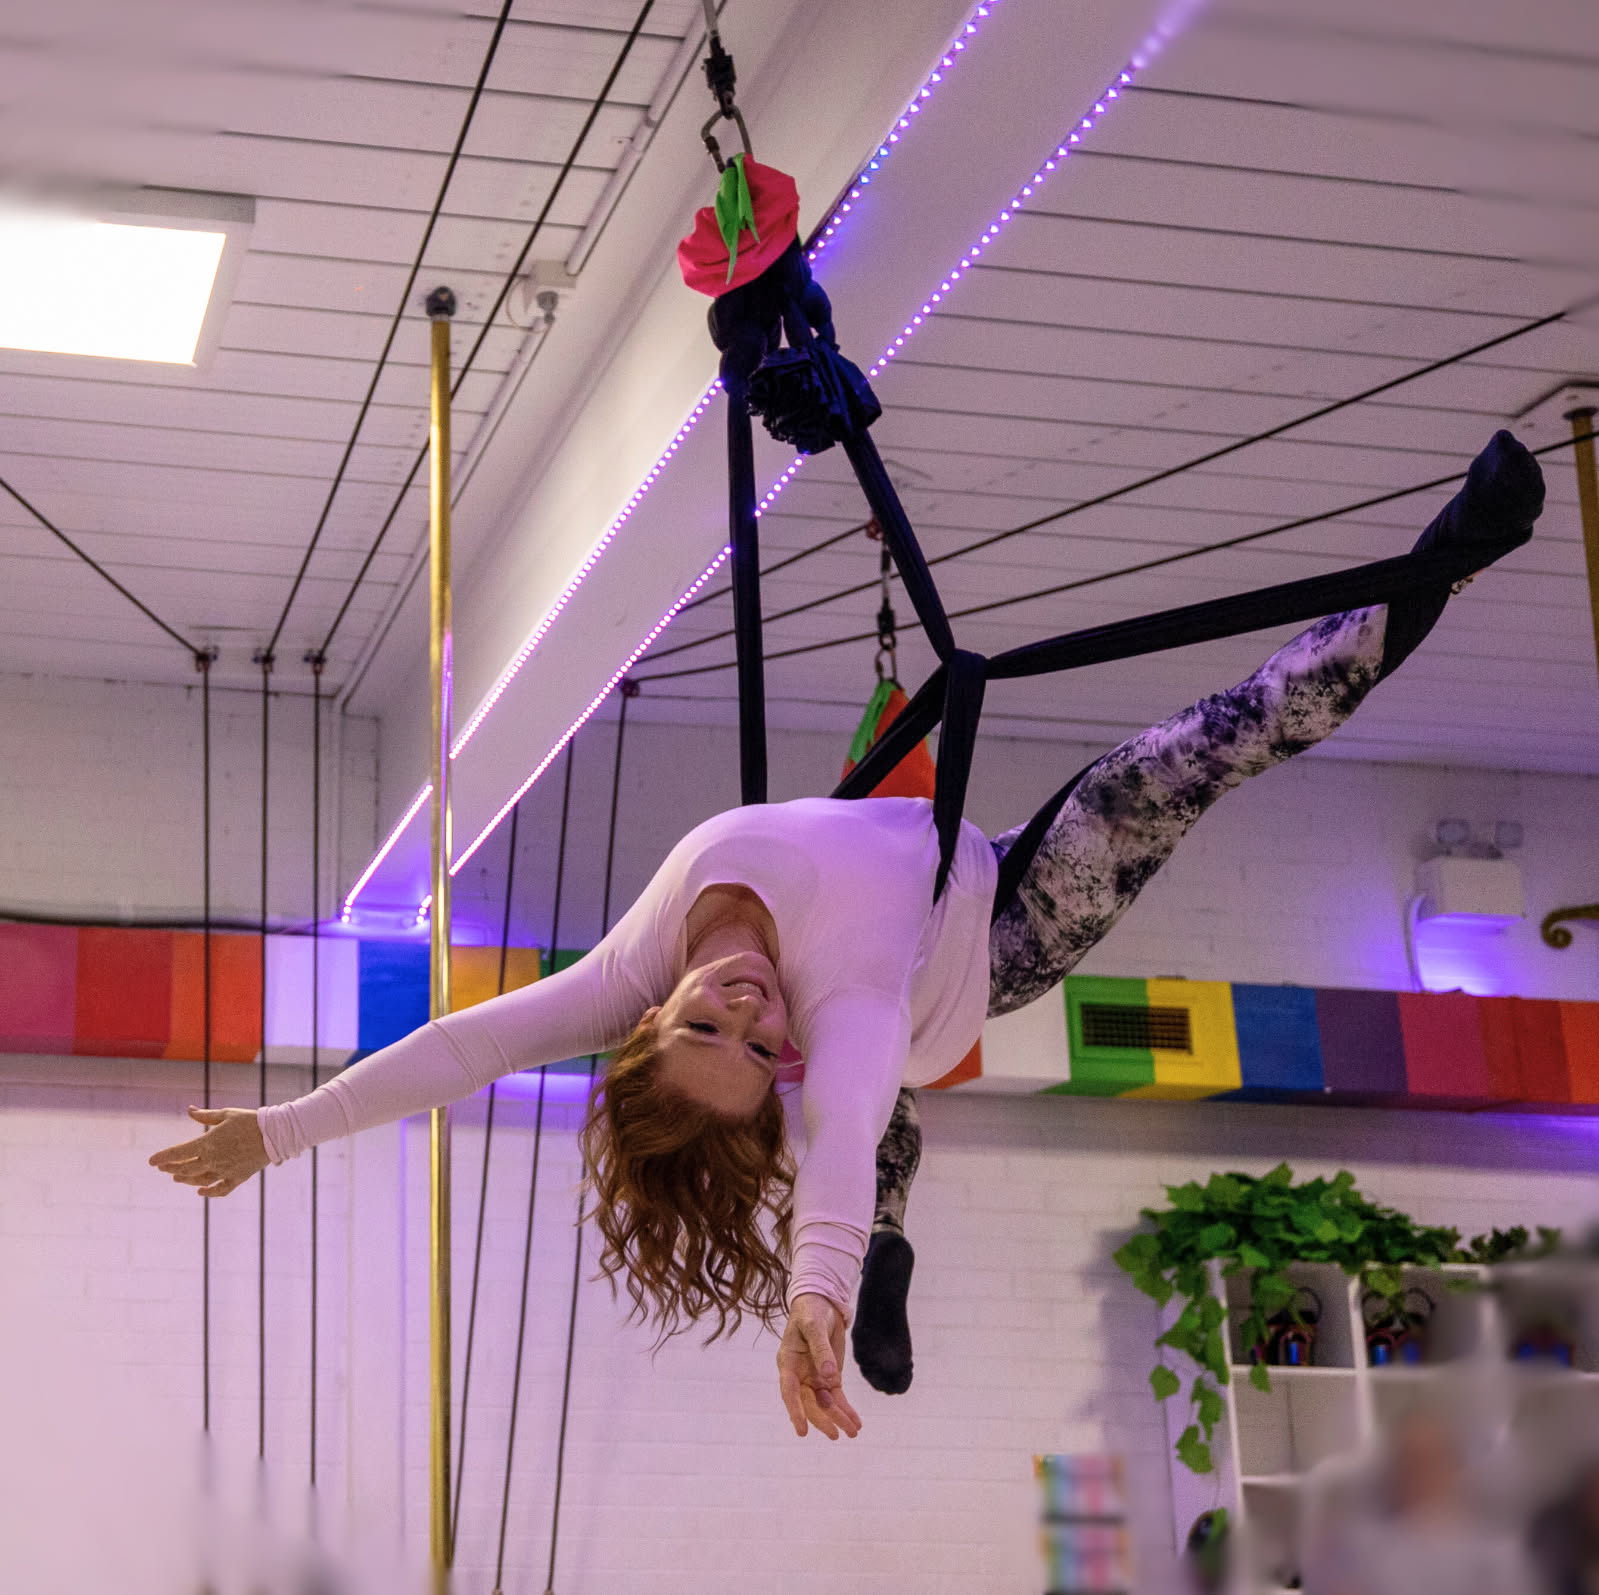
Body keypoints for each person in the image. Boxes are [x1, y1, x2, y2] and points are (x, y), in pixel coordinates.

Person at [150, 431, 1544, 1443]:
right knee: (1185, 762)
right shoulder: (841, 1004)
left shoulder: (629, 969)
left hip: (922, 903)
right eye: (760, 1043)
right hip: (987, 937)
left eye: (712, 1021)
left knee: (863, 1117)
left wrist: (281, 1131)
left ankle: (884, 1245)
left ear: (647, 1018)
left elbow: (464, 1049)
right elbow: (837, 1116)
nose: (752, 1003)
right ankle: (1450, 562)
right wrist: (811, 1293)